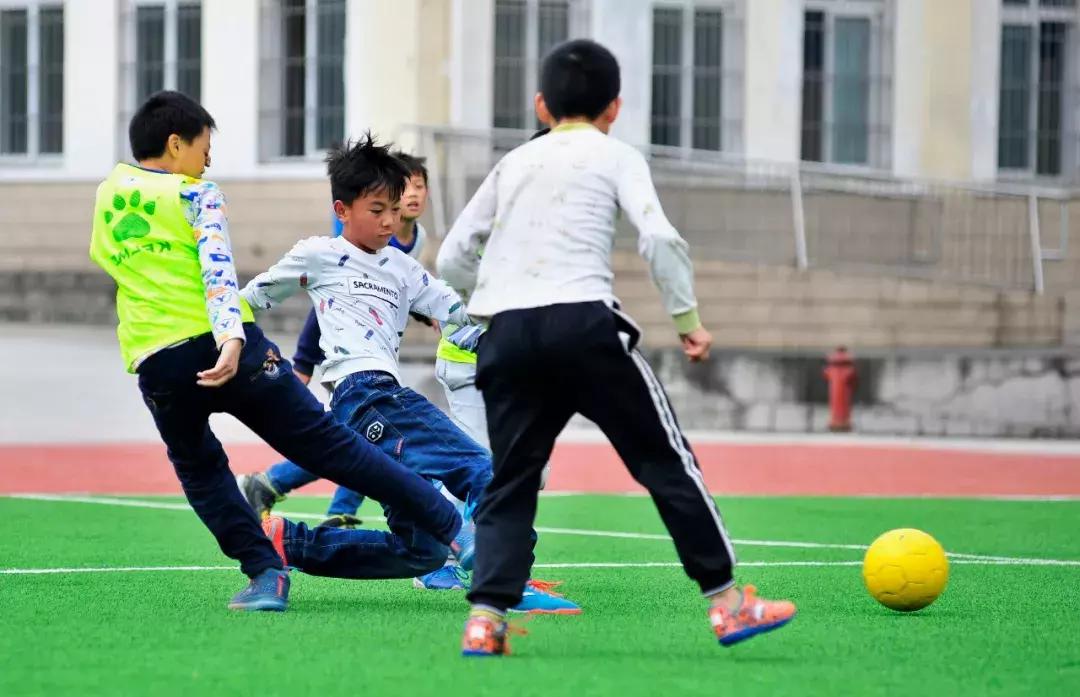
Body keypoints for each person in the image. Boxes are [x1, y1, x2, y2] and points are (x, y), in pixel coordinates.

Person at [437, 40, 797, 656]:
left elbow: (450, 256)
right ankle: (728, 605)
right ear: (615, 107)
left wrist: (491, 298)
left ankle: (486, 620)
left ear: (541, 105)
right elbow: (658, 238)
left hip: (509, 335)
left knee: (511, 480)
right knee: (665, 463)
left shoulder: (514, 164)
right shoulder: (616, 155)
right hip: (585, 328)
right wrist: (687, 319)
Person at [88, 91, 462, 613]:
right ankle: (453, 529)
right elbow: (218, 273)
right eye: (203, 147)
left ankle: (265, 574)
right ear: (175, 145)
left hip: (155, 358)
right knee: (327, 443)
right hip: (226, 344)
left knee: (200, 470)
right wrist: (231, 337)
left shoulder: (109, 193)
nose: (209, 159)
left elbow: (107, 260)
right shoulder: (196, 194)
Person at [238, 135, 577, 617]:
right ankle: (508, 583)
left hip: (368, 410)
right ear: (342, 208)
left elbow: (460, 318)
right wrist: (251, 352)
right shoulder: (318, 254)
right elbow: (247, 300)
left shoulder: (404, 268)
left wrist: (513, 340)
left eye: (395, 210)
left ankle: (284, 539)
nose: (390, 222)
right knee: (482, 470)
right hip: (367, 396)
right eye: (377, 209)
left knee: (422, 549)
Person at [238, 152, 432, 528]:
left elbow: (398, 292)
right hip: (347, 360)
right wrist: (303, 364)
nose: (411, 195)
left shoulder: (415, 240)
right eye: (403, 187)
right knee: (362, 435)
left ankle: (278, 487)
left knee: (353, 436)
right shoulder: (350, 244)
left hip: (380, 354)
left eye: (419, 186)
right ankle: (304, 496)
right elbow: (323, 301)